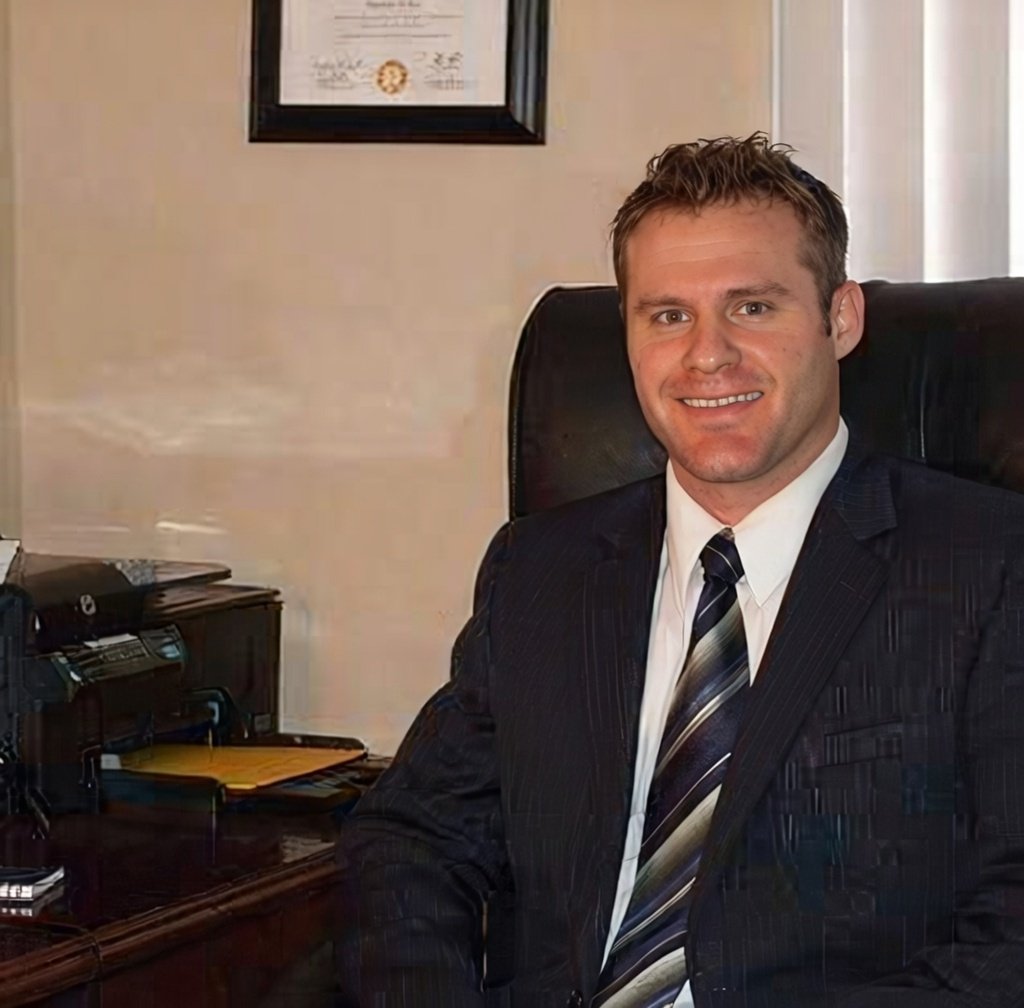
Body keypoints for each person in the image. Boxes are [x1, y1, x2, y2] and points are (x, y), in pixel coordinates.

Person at [334, 134, 1024, 1007]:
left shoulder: (988, 567)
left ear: (841, 317)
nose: (707, 355)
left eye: (752, 307)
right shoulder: (542, 570)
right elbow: (413, 838)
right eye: (667, 316)